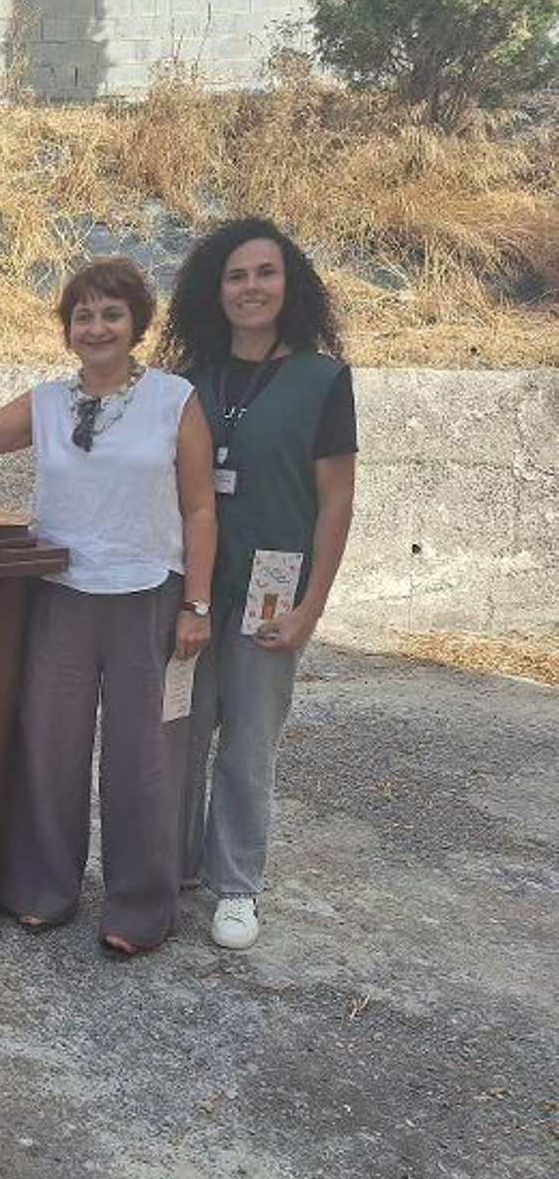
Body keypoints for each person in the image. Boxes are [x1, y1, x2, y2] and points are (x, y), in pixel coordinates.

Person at [0, 257, 216, 956]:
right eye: (83, 315)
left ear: (136, 324)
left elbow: (200, 506)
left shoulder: (174, 399)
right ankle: (43, 887)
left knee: (142, 756)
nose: (96, 327)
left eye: (111, 313)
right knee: (48, 747)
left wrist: (197, 603)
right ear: (67, 330)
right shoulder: (48, 401)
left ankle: (139, 904)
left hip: (146, 593)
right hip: (61, 591)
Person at [157, 217, 357, 951]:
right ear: (216, 291)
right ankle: (171, 865)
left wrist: (310, 608)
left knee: (248, 738)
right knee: (177, 729)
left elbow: (335, 501)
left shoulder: (323, 379)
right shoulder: (185, 383)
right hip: (190, 582)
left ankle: (236, 884)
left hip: (273, 582)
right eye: (236, 275)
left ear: (289, 285)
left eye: (265, 273)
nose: (251, 288)